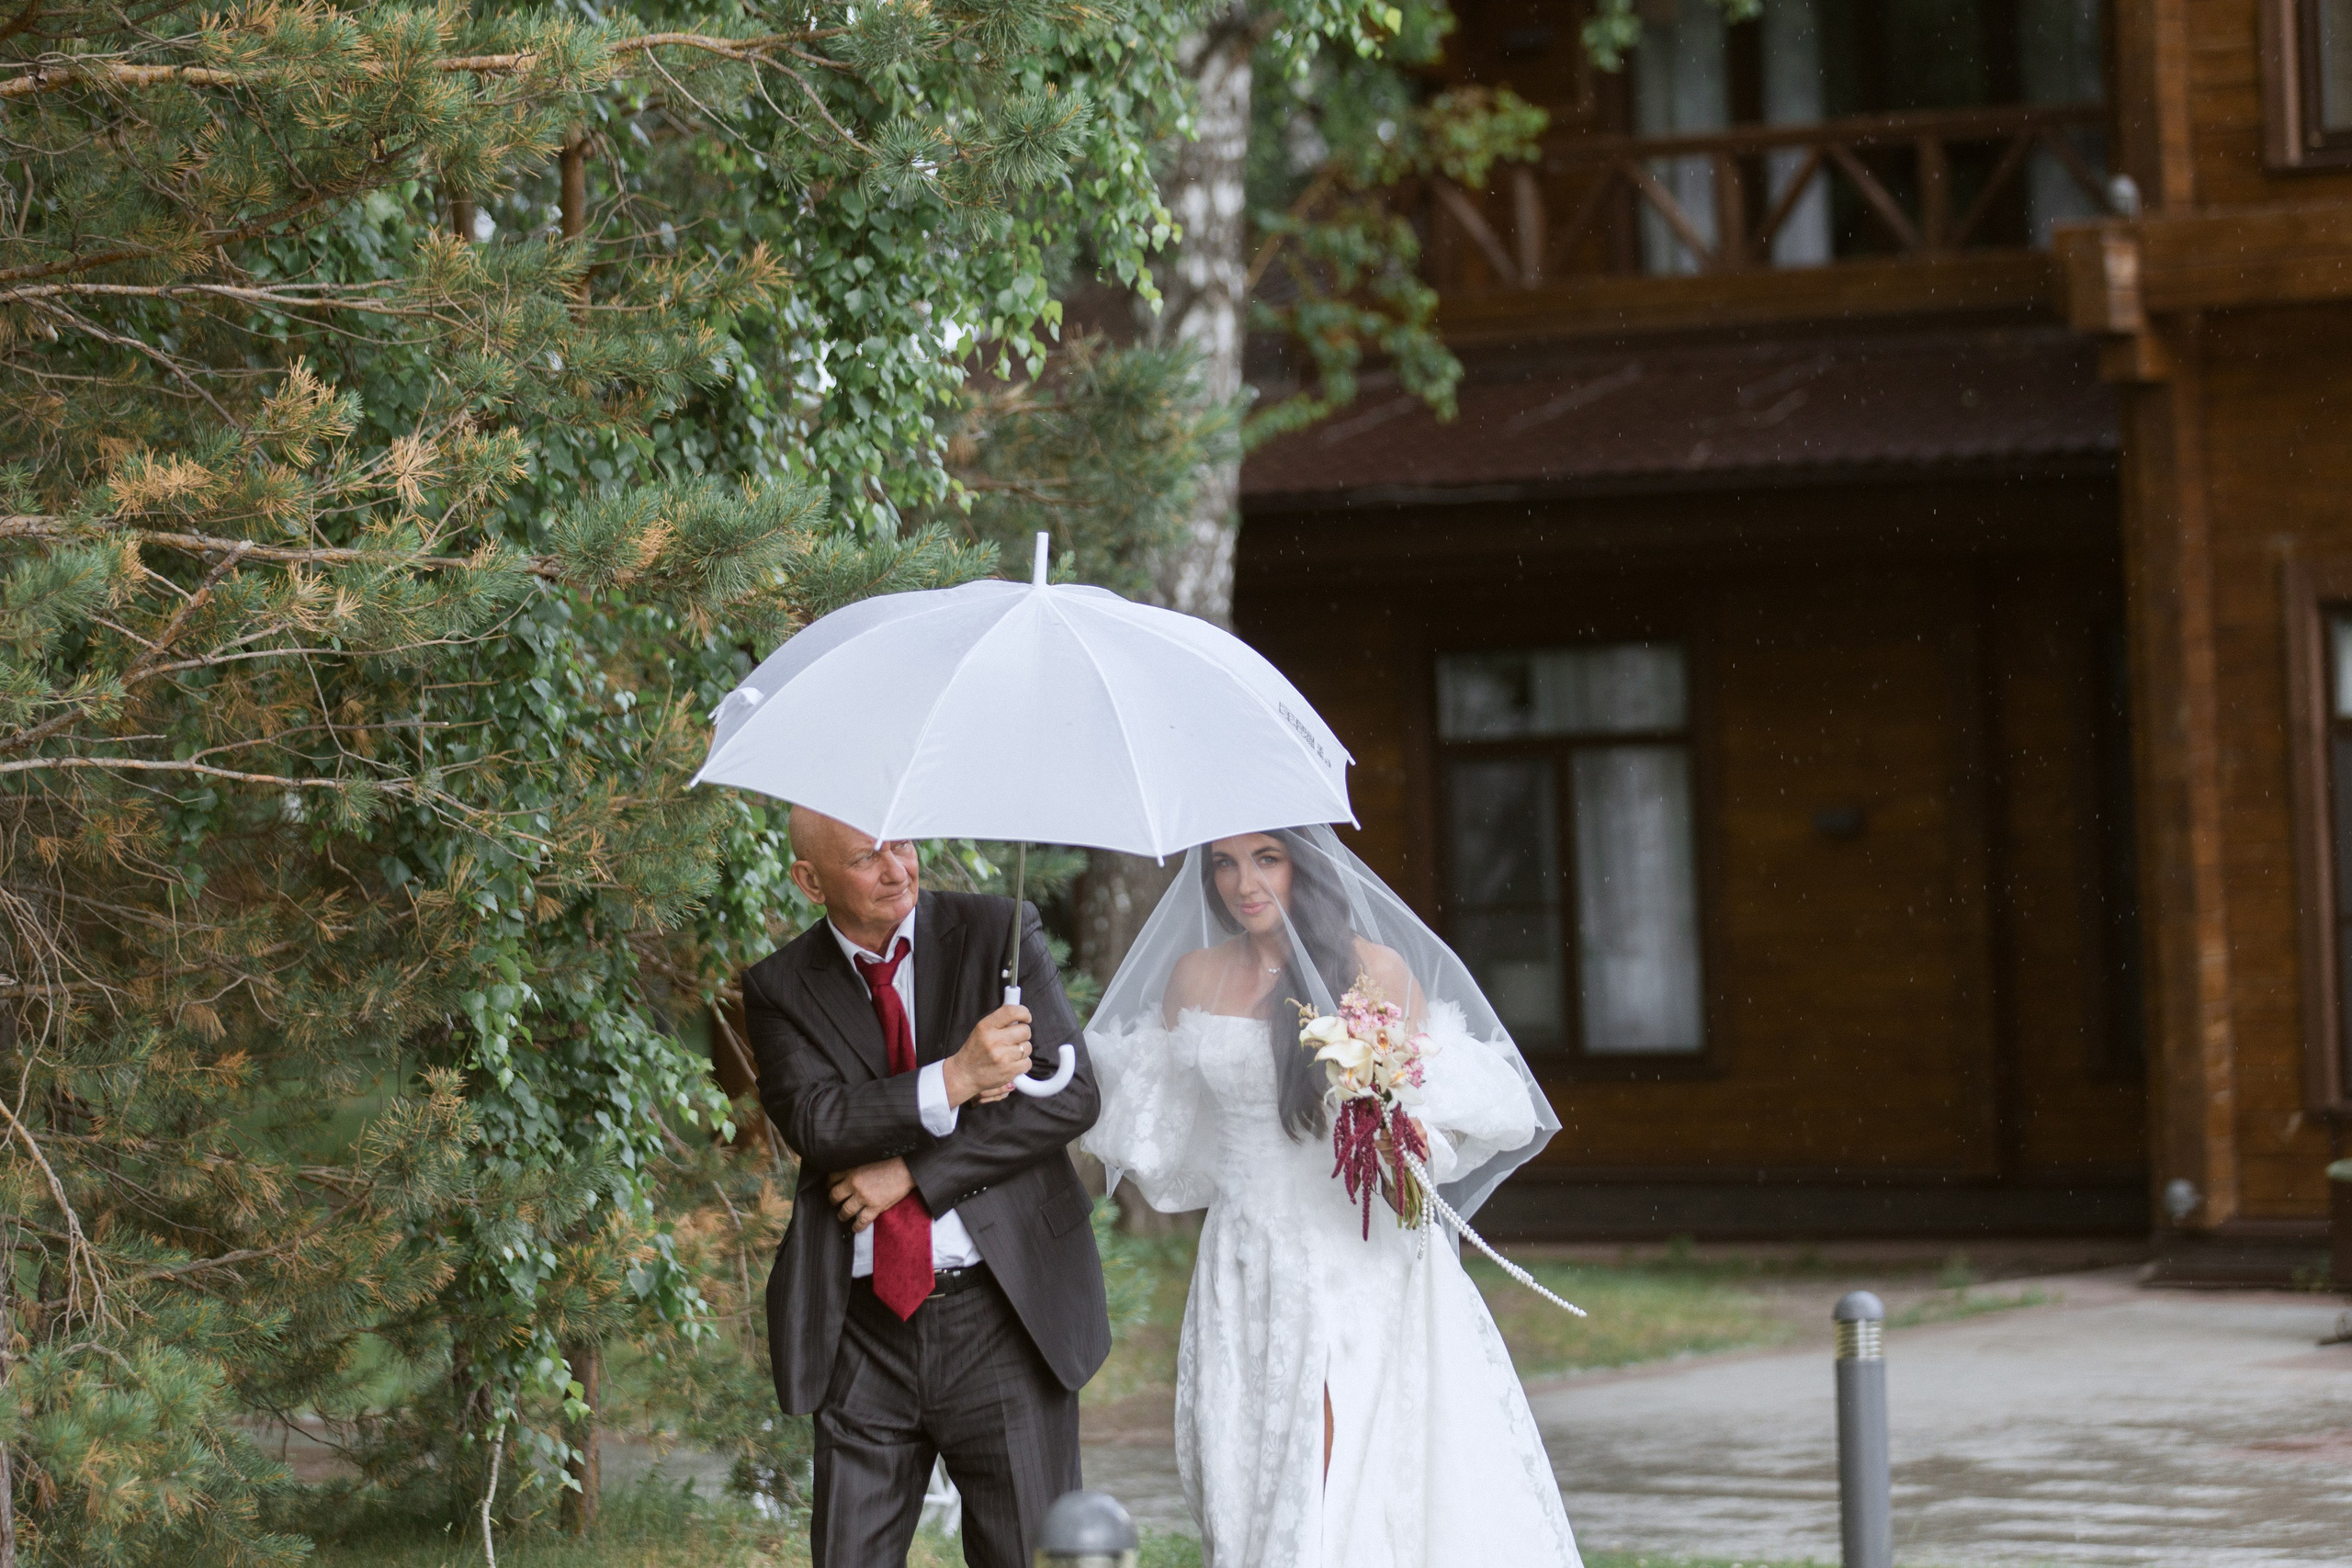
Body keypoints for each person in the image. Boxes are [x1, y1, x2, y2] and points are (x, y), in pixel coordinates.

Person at [1082, 824, 1580, 1568]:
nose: (1242, 882)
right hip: (1243, 1255)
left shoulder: (1369, 970)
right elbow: (1152, 1127)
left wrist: (1387, 1126)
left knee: (1335, 1454)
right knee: (1241, 1457)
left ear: (1303, 868)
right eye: (1224, 863)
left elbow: (1434, 1121)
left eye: (1265, 859)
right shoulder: (1194, 976)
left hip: (1353, 1249)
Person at [744, 807, 1109, 1568]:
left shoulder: (996, 933)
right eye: (865, 856)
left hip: (1003, 1315)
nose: (896, 867)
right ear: (808, 879)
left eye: (902, 842)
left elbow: (1070, 1096)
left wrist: (913, 1172)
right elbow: (818, 1121)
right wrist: (958, 1076)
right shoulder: (781, 987)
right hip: (863, 1333)